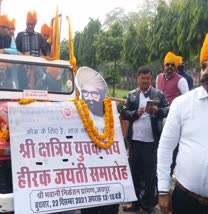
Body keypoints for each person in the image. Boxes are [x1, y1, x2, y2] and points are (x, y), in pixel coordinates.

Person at [157, 34, 208, 214]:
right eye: (203, 66)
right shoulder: (184, 103)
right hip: (185, 199)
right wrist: (163, 190)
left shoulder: (180, 81)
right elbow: (165, 147)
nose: (206, 72)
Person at [120, 65, 169, 213]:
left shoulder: (158, 95)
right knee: (134, 172)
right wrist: (136, 113)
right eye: (142, 78)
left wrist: (158, 110)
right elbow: (124, 113)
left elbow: (168, 110)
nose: (145, 81)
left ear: (151, 79)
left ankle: (147, 205)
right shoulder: (132, 95)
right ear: (138, 79)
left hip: (151, 142)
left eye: (148, 78)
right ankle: (134, 203)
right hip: (134, 142)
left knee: (149, 174)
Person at [76, 67, 119, 214]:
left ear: (101, 95)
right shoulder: (75, 112)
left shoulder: (111, 114)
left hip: (108, 177)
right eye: (85, 93)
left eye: (94, 93)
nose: (89, 97)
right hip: (86, 177)